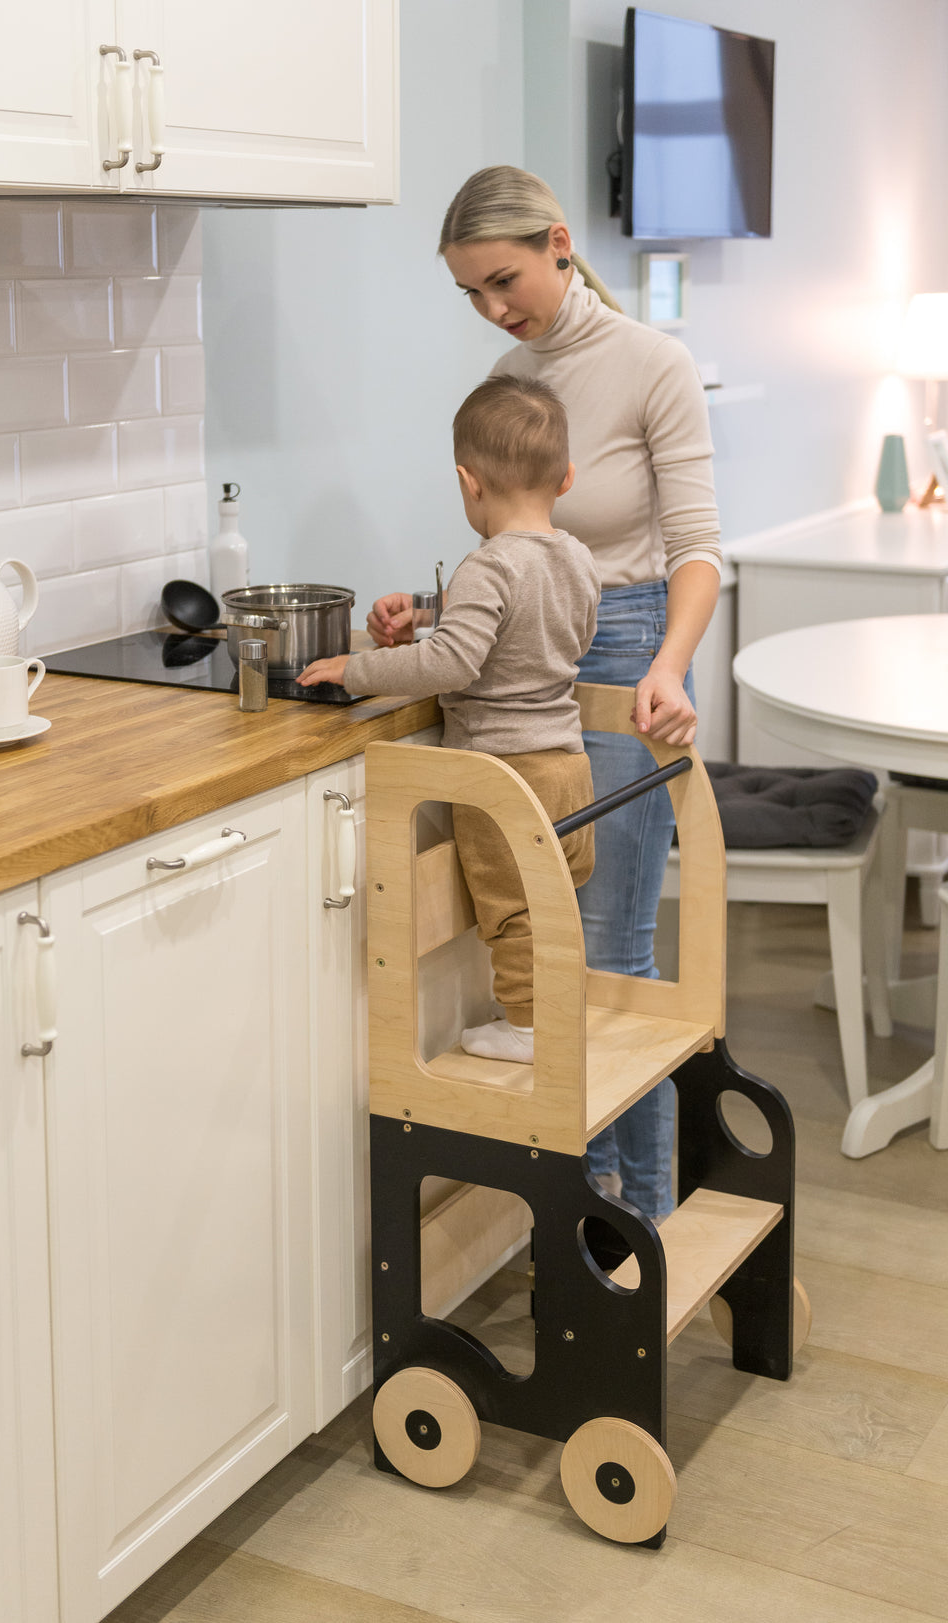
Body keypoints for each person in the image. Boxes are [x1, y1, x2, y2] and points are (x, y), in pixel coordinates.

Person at [366, 167, 722, 1222]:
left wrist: (666, 665)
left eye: (503, 279)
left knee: (609, 960)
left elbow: (699, 548)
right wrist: (429, 619)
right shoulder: (513, 372)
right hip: (532, 670)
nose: (492, 307)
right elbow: (518, 555)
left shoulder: (655, 363)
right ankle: (581, 1214)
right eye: (472, 292)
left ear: (560, 244)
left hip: (629, 651)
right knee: (538, 950)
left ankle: (635, 1224)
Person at [300, 373, 600, 1062]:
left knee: (513, 910)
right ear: (567, 478)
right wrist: (430, 611)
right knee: (558, 902)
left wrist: (357, 669)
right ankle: (557, 1012)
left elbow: (452, 666)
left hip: (506, 774)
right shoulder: (578, 558)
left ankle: (528, 1027)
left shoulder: (488, 566)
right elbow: (550, 630)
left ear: (469, 483)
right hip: (568, 763)